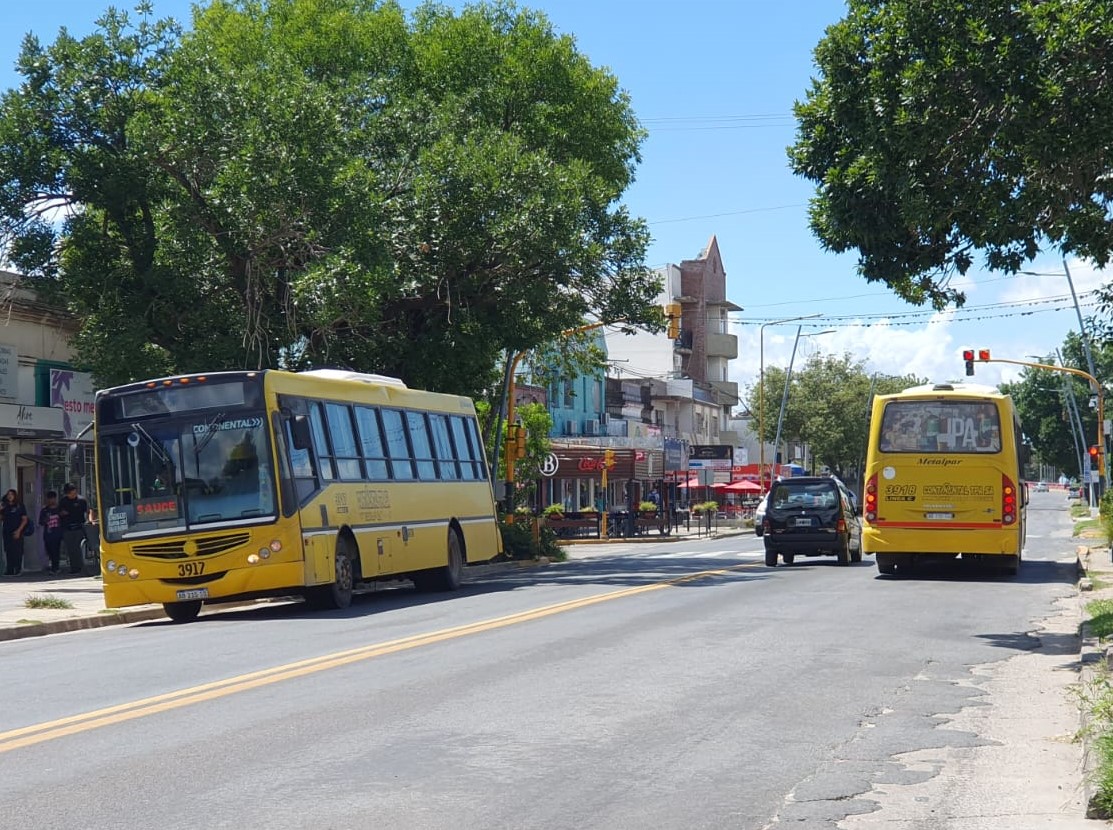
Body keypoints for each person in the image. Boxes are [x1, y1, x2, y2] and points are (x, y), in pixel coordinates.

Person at [58, 483, 89, 575]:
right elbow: (59, 512)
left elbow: (88, 511)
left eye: (74, 492)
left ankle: (81, 567)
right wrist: (62, 513)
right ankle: (74, 568)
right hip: (67, 528)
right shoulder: (63, 501)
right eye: (70, 493)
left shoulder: (81, 500)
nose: (73, 495)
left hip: (79, 527)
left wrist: (89, 520)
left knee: (78, 548)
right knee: (71, 549)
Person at [1, 489, 29, 576]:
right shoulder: (5, 506)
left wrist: (19, 530)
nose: (10, 496)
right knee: (8, 550)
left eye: (12, 494)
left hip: (17, 530)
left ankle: (18, 569)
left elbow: (24, 519)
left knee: (17, 551)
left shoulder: (20, 506)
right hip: (7, 531)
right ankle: (10, 569)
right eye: (8, 494)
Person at [38, 490, 64, 575]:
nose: (51, 501)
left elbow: (64, 520)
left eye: (53, 499)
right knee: (49, 551)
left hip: (57, 534)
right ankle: (53, 566)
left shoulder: (59, 509)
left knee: (56, 550)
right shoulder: (45, 510)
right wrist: (46, 520)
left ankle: (55, 568)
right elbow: (40, 522)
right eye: (49, 499)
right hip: (48, 534)